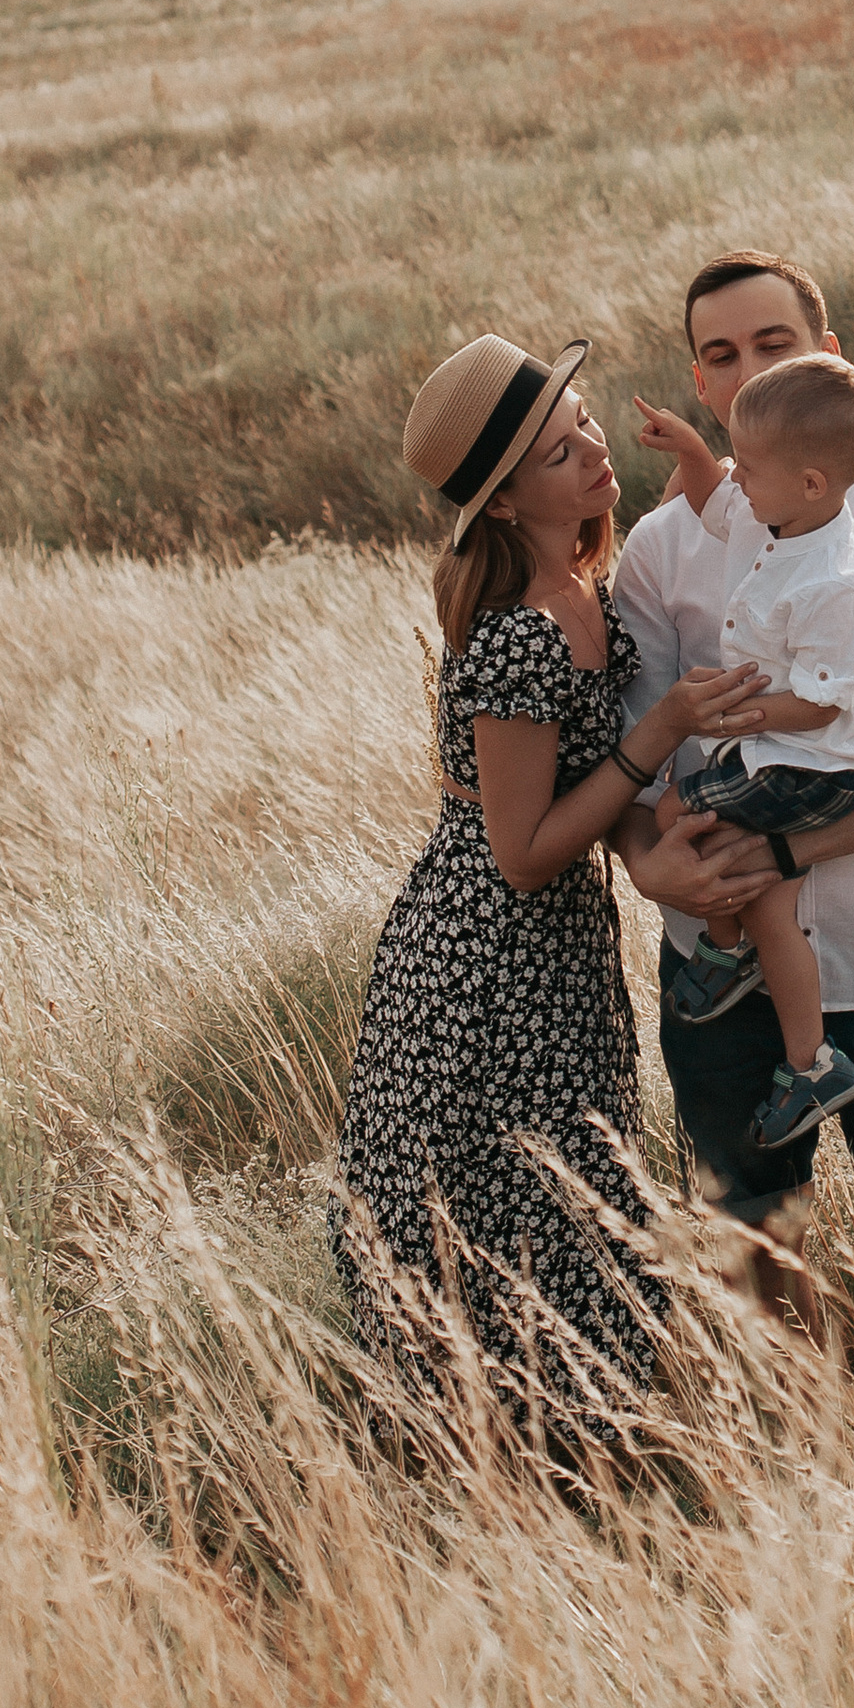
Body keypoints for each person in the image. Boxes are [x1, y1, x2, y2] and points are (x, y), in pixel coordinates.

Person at [330, 331, 767, 1454]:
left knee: (574, 1191)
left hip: (552, 949)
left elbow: (591, 796)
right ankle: (504, 1458)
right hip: (480, 963)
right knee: (510, 1208)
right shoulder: (518, 639)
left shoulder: (587, 601)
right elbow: (522, 850)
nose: (592, 458)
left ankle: (574, 1453)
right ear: (509, 499)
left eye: (583, 435)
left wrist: (645, 837)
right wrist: (661, 734)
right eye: (561, 452)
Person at [613, 250, 854, 1302]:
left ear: (830, 360)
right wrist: (655, 873)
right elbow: (629, 744)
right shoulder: (659, 552)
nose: (745, 372)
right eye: (719, 355)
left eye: (772, 345)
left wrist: (784, 850)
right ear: (698, 383)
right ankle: (803, 1458)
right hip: (716, 958)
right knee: (755, 1263)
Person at [633, 352, 854, 1152]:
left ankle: (726, 949)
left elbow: (820, 705)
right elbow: (718, 509)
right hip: (779, 748)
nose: (732, 477)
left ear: (811, 482)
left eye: (743, 465)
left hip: (813, 766)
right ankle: (807, 1057)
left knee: (681, 808)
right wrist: (689, 455)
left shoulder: (838, 578)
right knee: (770, 900)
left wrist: (728, 718)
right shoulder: (786, 516)